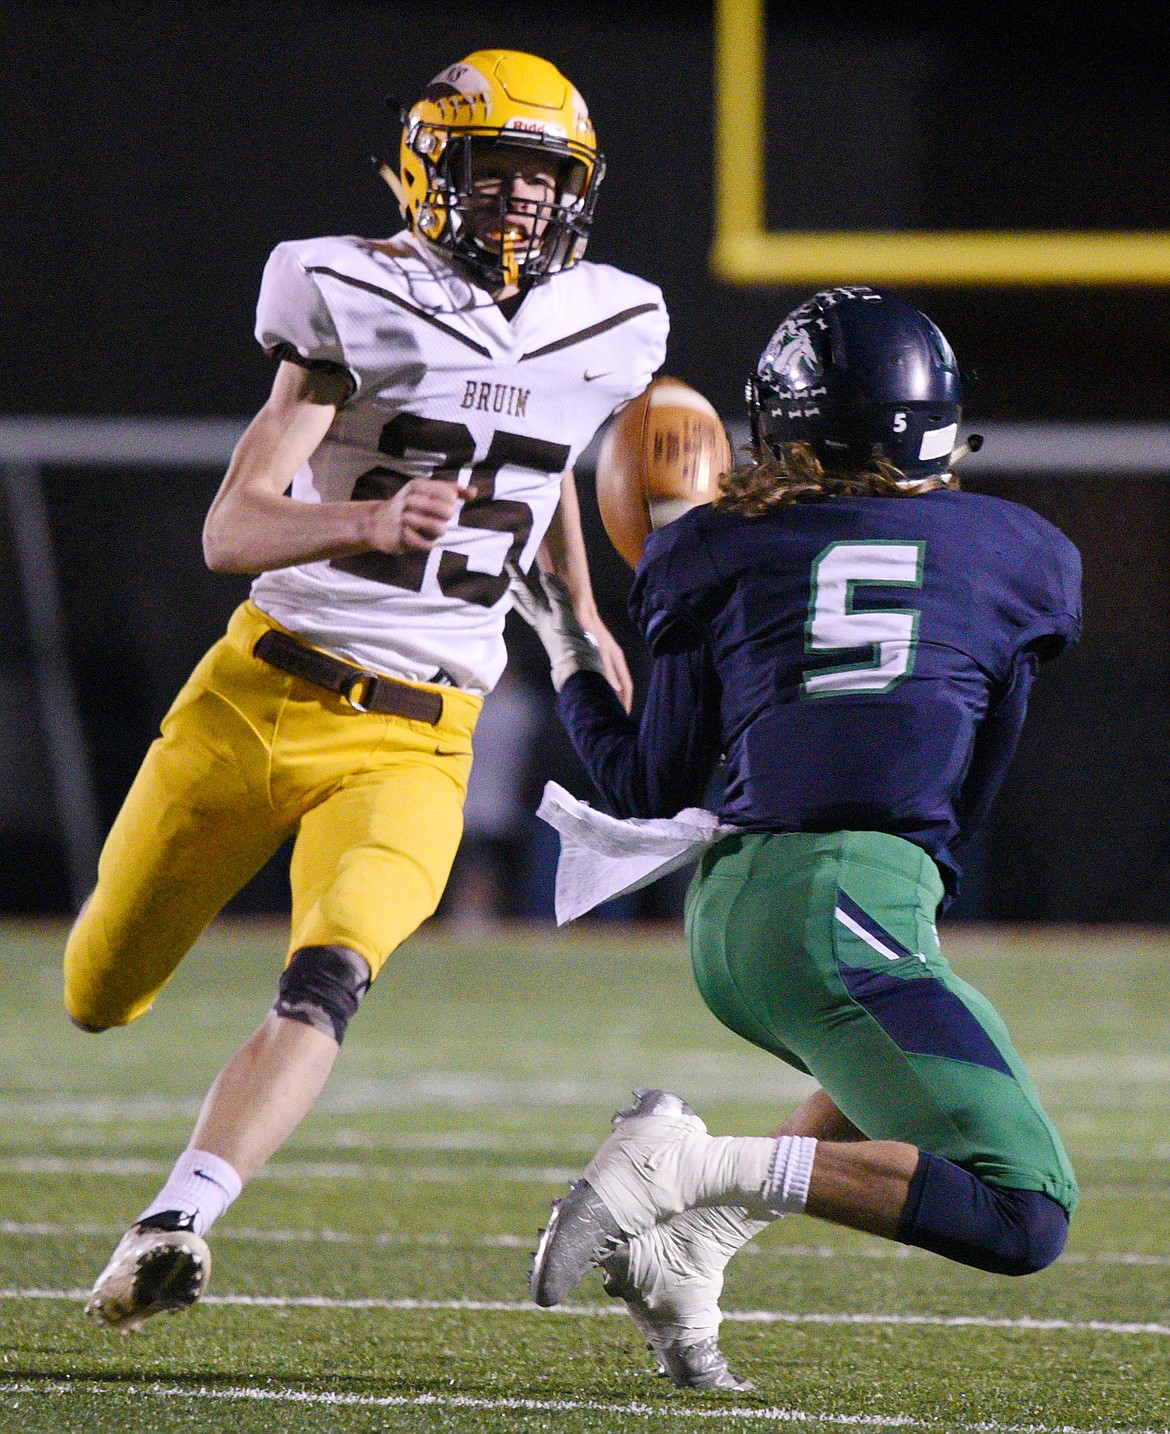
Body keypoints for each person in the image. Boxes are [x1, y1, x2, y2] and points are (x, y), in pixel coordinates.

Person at [75, 48, 668, 1330]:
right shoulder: (349, 288)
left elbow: (548, 456)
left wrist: (573, 623)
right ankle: (155, 1119)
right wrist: (366, 520)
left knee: (328, 976)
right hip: (261, 696)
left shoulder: (613, 320)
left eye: (542, 175)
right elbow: (232, 529)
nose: (520, 197)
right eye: (494, 168)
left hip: (423, 737)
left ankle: (178, 1218)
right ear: (427, 170)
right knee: (98, 992)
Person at [512, 286, 1081, 1392]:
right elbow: (977, 775)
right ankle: (688, 1164)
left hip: (740, 916)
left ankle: (695, 1245)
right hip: (846, 899)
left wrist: (576, 648)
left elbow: (644, 780)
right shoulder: (1024, 554)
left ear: (790, 428)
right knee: (1024, 1209)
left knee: (883, 1076)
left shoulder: (718, 546)